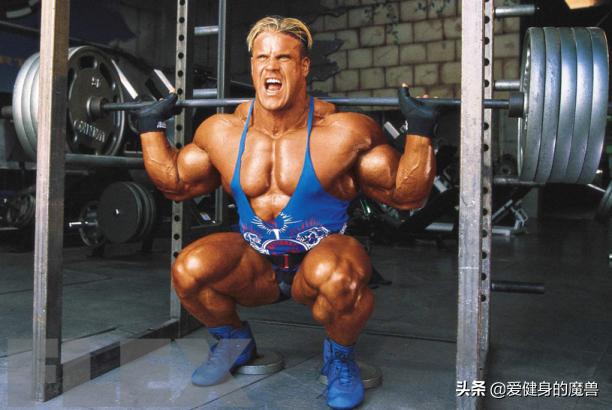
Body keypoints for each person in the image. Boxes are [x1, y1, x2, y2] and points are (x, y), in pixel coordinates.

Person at [135, 16, 437, 410]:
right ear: (252, 66)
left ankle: (339, 357)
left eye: (283, 58)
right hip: (255, 264)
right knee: (188, 270)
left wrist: (420, 131)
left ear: (304, 66)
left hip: (320, 259)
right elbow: (177, 184)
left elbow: (405, 196)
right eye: (262, 58)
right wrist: (150, 127)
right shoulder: (221, 132)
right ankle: (234, 342)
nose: (271, 67)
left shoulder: (345, 132)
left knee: (340, 277)